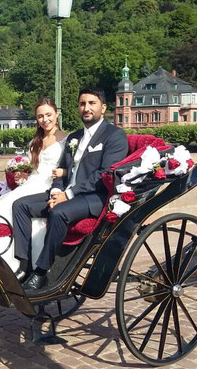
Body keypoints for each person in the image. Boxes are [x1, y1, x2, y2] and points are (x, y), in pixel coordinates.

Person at [13, 87, 129, 290]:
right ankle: (24, 265)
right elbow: (61, 169)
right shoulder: (75, 137)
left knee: (58, 212)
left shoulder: (115, 136)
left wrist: (68, 194)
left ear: (103, 107)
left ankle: (41, 273)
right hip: (68, 193)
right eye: (82, 104)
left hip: (95, 197)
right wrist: (56, 191)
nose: (86, 108)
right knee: (20, 205)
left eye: (92, 103)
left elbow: (104, 174)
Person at [0, 97, 67, 273]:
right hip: (32, 183)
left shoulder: (66, 139)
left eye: (48, 115)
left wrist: (64, 173)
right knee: (1, 208)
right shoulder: (37, 139)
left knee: (14, 206)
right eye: (40, 116)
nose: (45, 120)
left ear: (56, 114)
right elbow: (35, 167)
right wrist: (25, 173)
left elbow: (71, 167)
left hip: (50, 186)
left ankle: (18, 263)